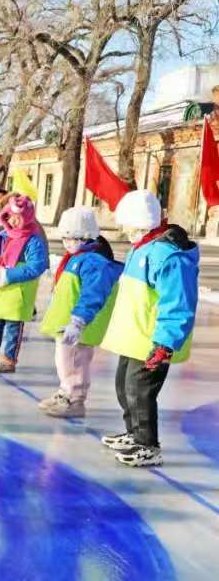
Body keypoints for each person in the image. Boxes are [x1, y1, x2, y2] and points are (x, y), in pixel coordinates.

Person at [100, 190, 199, 467]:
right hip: (133, 336)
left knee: (140, 390)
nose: (126, 232)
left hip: (152, 340)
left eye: (131, 227)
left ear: (145, 224)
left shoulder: (169, 256)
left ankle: (148, 445)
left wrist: (165, 343)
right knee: (123, 385)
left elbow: (178, 302)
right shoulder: (142, 246)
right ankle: (133, 433)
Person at [37, 207, 121, 419]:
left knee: (75, 362)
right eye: (64, 238)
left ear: (88, 236)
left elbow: (92, 294)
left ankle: (75, 399)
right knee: (65, 362)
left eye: (73, 238)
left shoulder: (94, 262)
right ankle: (66, 392)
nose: (67, 243)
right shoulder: (76, 258)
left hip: (79, 324)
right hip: (68, 322)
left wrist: (78, 321)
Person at [0, 194, 48, 374]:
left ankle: (9, 359)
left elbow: (36, 266)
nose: (13, 221)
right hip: (0, 289)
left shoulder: (33, 239)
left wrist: (7, 274)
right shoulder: (3, 235)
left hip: (18, 289)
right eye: (10, 217)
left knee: (14, 326)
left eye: (18, 218)